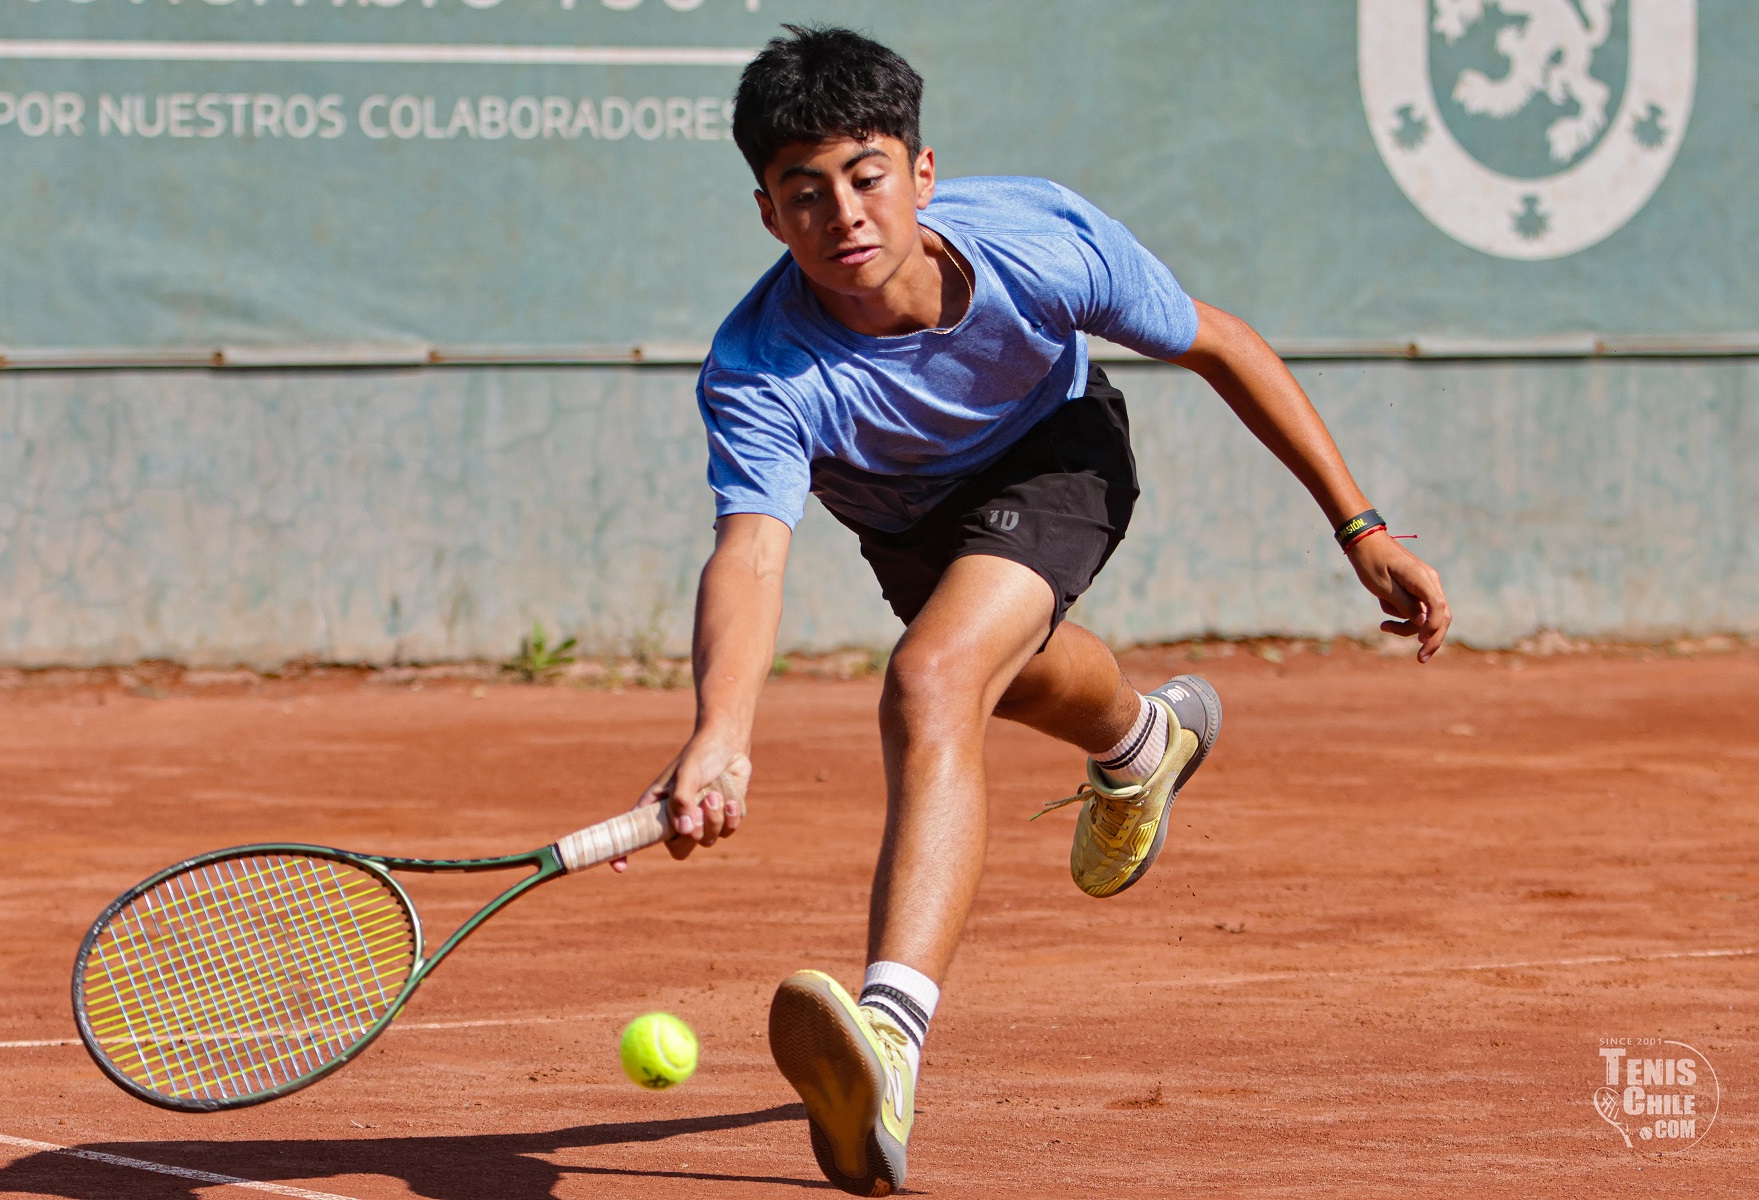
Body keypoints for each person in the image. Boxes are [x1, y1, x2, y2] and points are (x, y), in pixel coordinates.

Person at [613, 24, 1452, 1197]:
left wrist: (1359, 529)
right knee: (1013, 676)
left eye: (865, 176)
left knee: (932, 679)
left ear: (920, 173)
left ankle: (890, 1038)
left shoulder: (1040, 241)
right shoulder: (759, 368)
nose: (842, 215)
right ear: (766, 213)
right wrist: (719, 729)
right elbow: (750, 554)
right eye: (803, 193)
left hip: (1057, 452)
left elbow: (1223, 347)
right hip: (906, 519)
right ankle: (1141, 741)